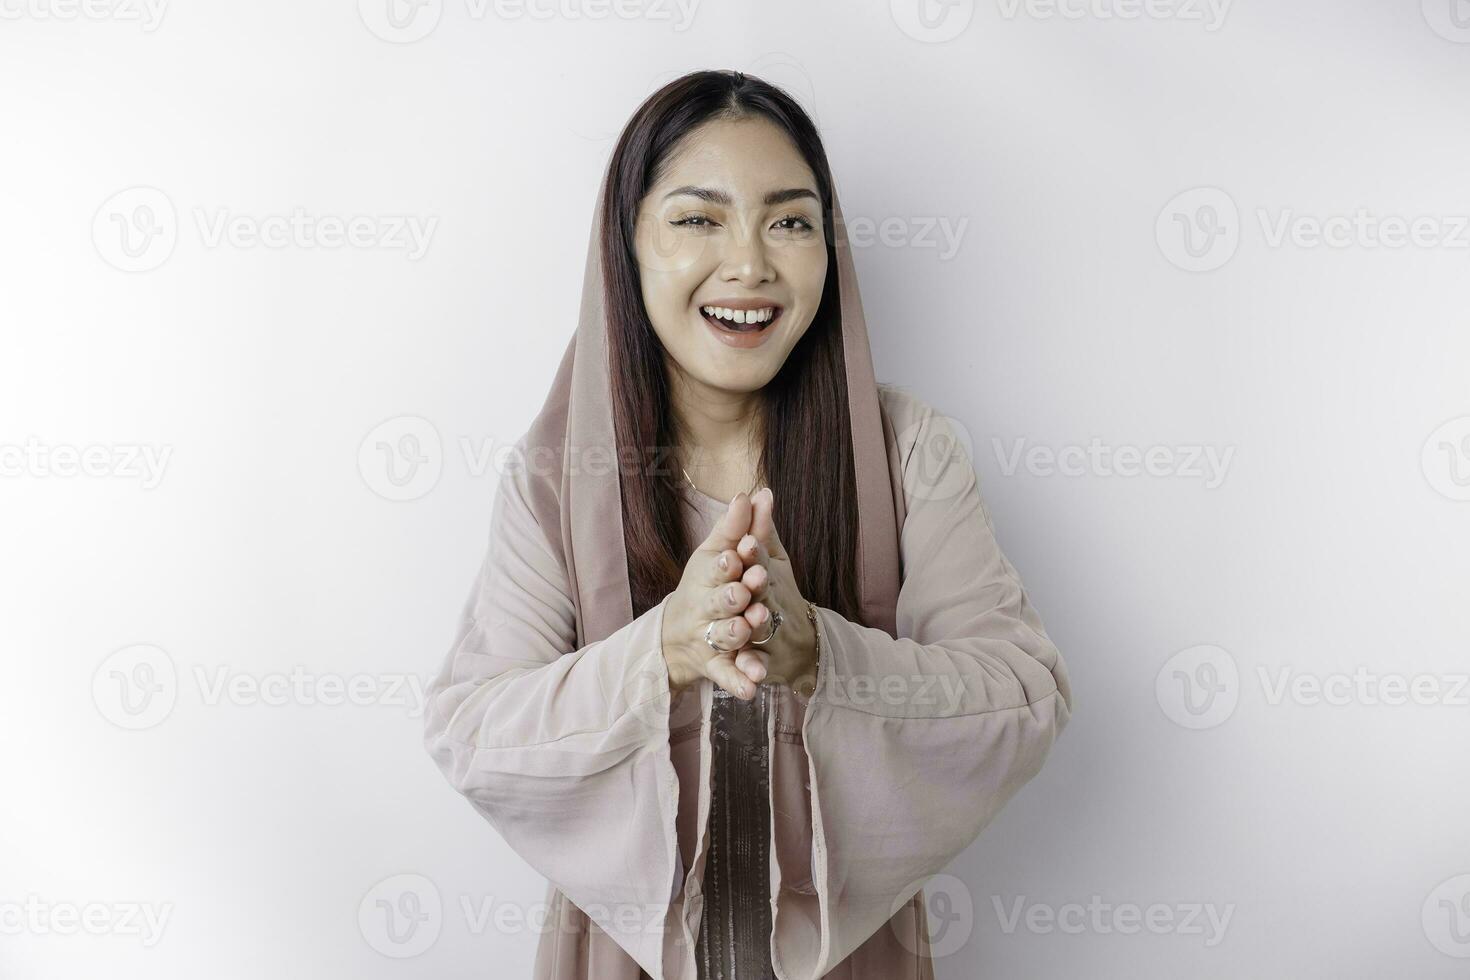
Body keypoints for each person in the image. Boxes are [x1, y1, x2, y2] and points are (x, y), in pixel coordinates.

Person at [421, 69, 1074, 980]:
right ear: (628, 247)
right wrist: (664, 651)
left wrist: (824, 657)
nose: (751, 264)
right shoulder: (555, 477)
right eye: (697, 218)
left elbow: (1026, 696)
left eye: (790, 220)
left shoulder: (905, 450)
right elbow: (473, 730)